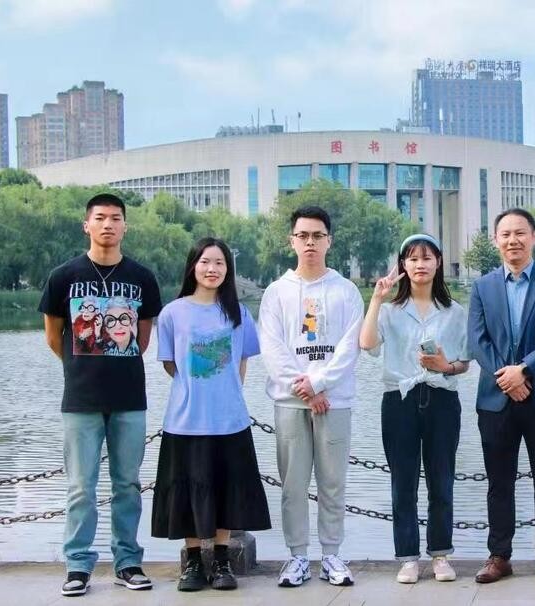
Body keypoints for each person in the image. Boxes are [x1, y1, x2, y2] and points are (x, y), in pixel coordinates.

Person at [38, 192, 162, 597]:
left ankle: (128, 562)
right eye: (100, 218)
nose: (108, 224)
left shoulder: (142, 277)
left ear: (125, 226)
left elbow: (142, 340)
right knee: (80, 487)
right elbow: (54, 338)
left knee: (127, 484)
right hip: (81, 401)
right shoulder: (63, 276)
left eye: (115, 218)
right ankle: (77, 565)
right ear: (86, 225)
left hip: (129, 398)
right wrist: (82, 366)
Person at [152, 237, 271, 592]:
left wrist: (227, 393)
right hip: (185, 419)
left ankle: (221, 561)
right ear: (193, 266)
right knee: (188, 490)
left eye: (219, 263)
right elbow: (171, 364)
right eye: (205, 262)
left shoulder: (238, 313)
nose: (212, 269)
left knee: (226, 489)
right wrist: (197, 388)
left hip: (229, 419)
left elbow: (242, 361)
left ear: (227, 270)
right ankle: (192, 563)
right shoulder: (172, 313)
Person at [259, 206, 364, 588]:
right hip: (290, 401)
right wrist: (305, 390)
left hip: (334, 401)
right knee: (293, 483)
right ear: (292, 241)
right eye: (302, 236)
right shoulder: (277, 292)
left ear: (329, 241)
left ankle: (332, 554)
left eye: (317, 236)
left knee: (332, 481)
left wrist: (319, 384)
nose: (310, 243)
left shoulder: (346, 291)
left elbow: (350, 348)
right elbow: (272, 349)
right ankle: (298, 556)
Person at [467, 208, 535, 585]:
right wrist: (507, 378)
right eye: (506, 234)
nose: (513, 240)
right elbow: (477, 341)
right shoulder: (482, 287)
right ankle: (499, 555)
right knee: (499, 482)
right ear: (496, 240)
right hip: (495, 400)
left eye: (520, 233)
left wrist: (524, 370)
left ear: (534, 237)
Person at [359, 234, 470, 584]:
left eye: (427, 258)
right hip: (400, 400)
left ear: (438, 262)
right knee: (403, 482)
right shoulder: (390, 311)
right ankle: (407, 557)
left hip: (442, 399)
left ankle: (440, 554)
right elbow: (367, 344)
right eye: (412, 259)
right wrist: (377, 298)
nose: (420, 265)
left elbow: (465, 362)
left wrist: (445, 366)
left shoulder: (455, 312)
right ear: (402, 265)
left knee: (442, 480)